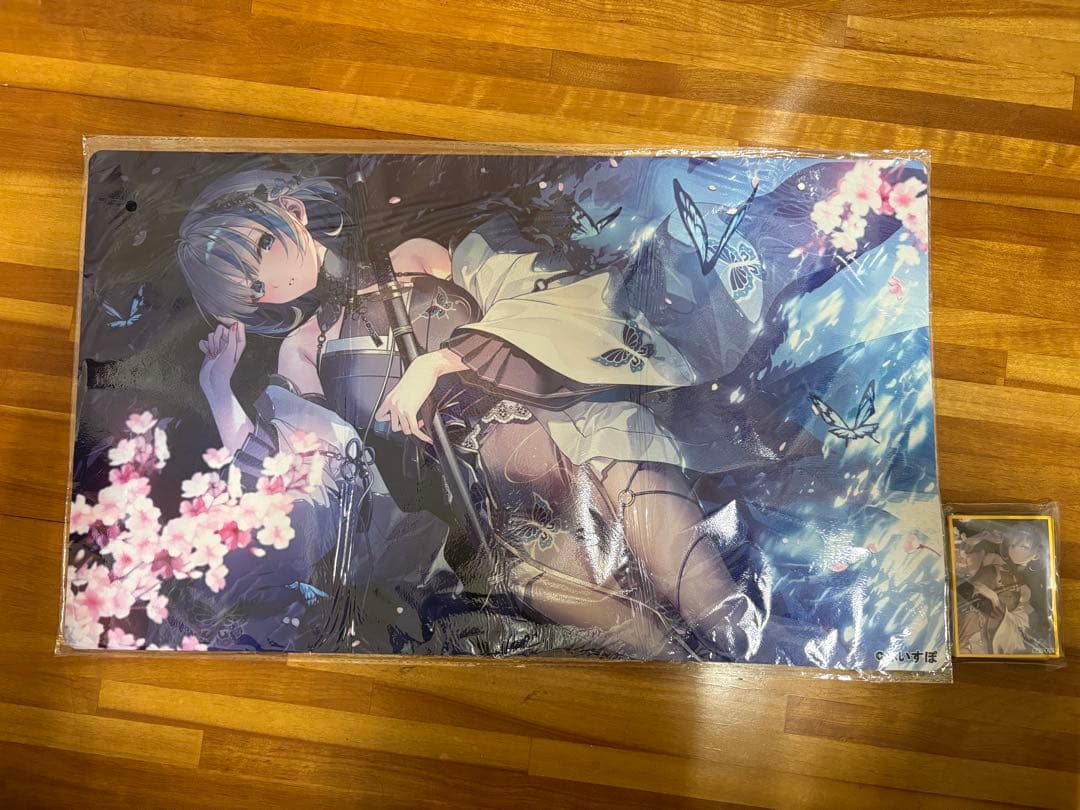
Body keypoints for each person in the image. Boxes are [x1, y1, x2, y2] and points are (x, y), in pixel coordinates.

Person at [176, 168, 762, 659]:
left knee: (714, 604)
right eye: (252, 289)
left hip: (583, 437)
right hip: (498, 519)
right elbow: (310, 473)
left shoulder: (412, 259)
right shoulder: (303, 348)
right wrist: (218, 391)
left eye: (262, 247)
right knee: (649, 650)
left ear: (294, 212)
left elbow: (535, 299)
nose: (272, 281)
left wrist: (440, 363)